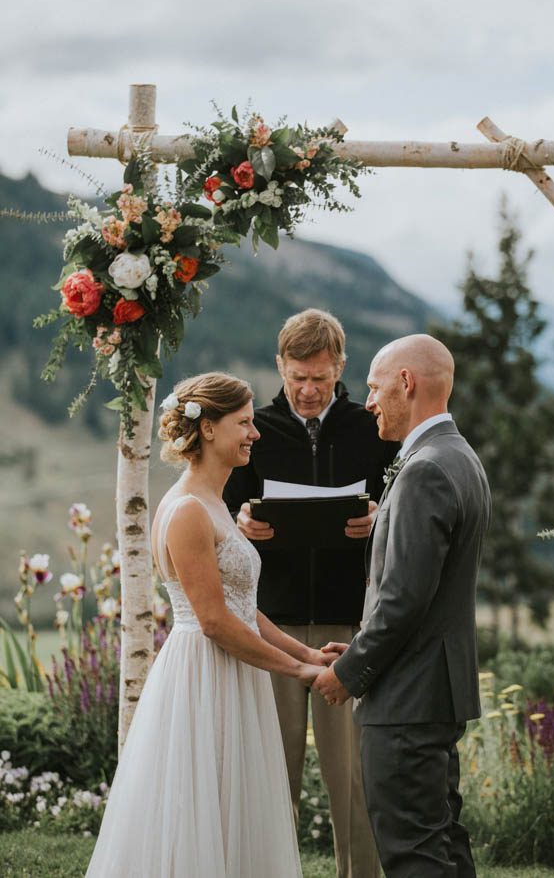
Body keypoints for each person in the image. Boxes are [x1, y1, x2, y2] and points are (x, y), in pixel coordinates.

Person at [86, 372, 337, 878]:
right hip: (204, 675)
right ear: (208, 429)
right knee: (200, 808)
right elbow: (216, 621)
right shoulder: (186, 513)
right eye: (244, 423)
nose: (255, 433)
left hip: (234, 671)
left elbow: (245, 607)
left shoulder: (216, 504)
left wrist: (309, 655)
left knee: (234, 806)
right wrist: (299, 672)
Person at [224, 310, 397, 878]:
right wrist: (242, 520)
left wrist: (380, 517)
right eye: (297, 376)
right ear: (281, 366)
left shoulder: (370, 426)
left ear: (340, 368)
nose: (306, 389)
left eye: (319, 377)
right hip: (270, 623)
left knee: (353, 777)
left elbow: (406, 503)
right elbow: (222, 509)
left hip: (351, 624)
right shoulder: (256, 429)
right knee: (274, 772)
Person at [315, 335, 492, 878]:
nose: (368, 401)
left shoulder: (425, 470)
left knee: (412, 853)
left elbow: (402, 599)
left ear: (406, 383)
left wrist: (351, 670)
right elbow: (422, 595)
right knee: (441, 842)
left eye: (374, 386)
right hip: (433, 689)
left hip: (407, 700)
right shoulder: (458, 457)